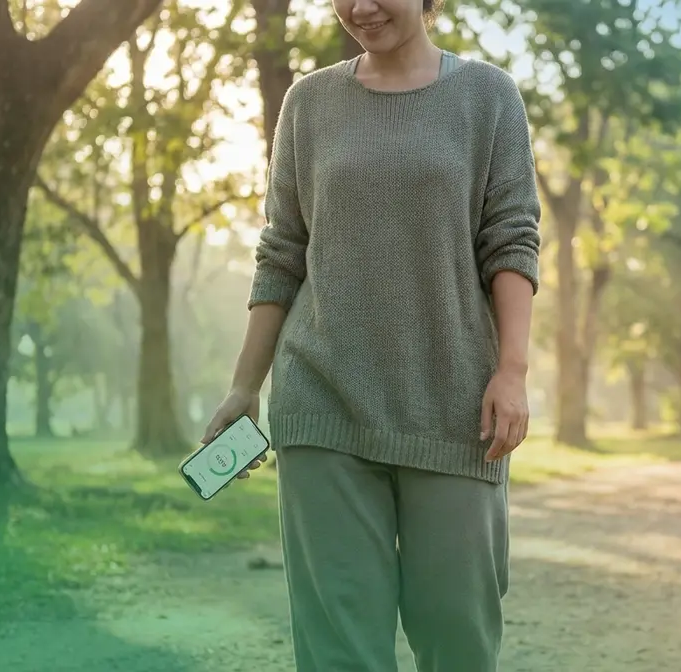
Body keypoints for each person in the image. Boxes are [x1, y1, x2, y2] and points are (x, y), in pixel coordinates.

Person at [200, 0, 541, 669]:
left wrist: (513, 370)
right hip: (321, 401)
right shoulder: (308, 103)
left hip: (455, 407)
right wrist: (244, 387)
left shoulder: (488, 97)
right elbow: (282, 251)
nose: (360, 7)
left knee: (459, 635)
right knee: (339, 649)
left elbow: (511, 241)